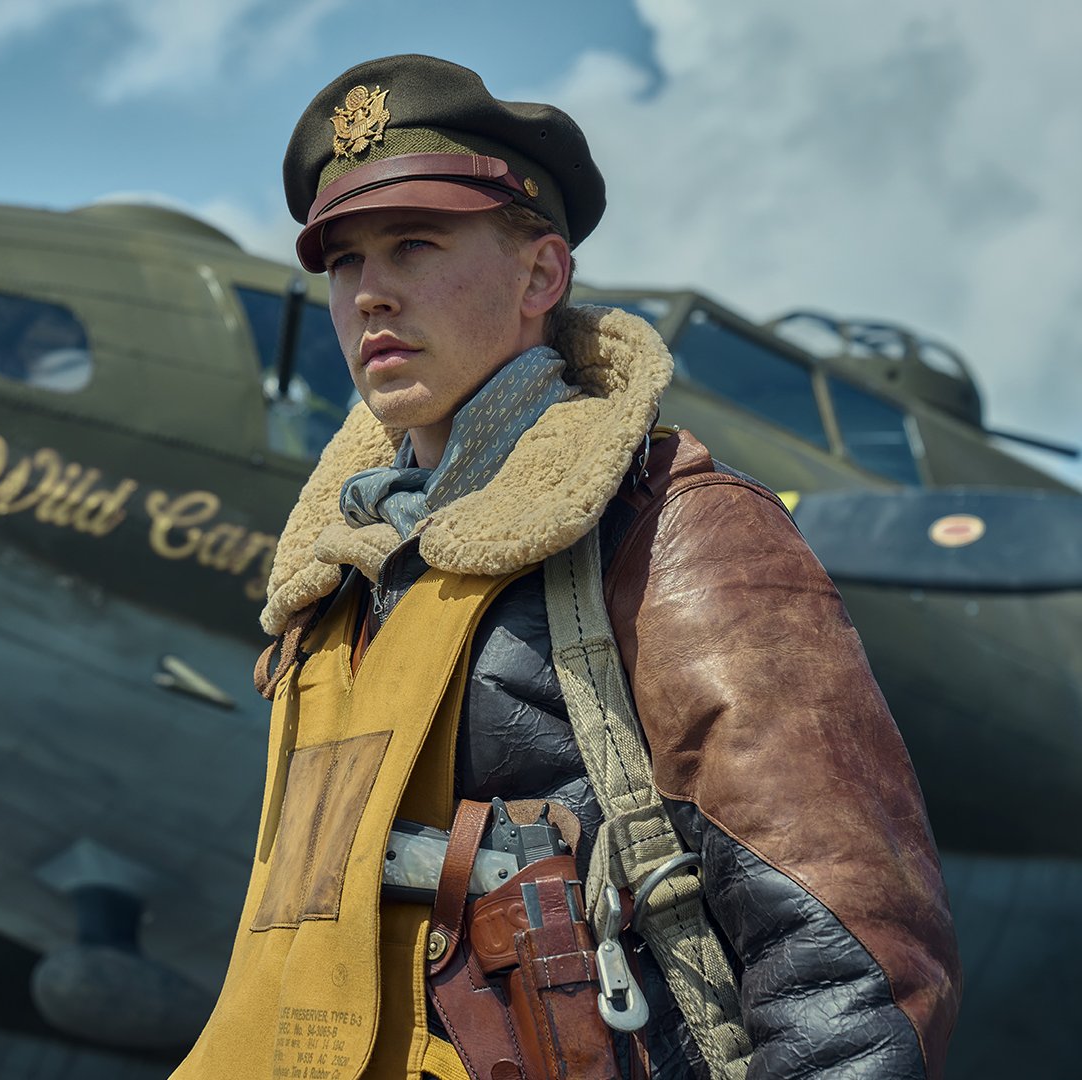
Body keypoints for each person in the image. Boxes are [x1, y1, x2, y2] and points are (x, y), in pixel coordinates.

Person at [173, 55, 960, 1080]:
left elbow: (845, 968)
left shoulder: (673, 526)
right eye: (345, 263)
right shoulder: (332, 586)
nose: (371, 295)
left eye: (414, 245)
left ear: (541, 275)